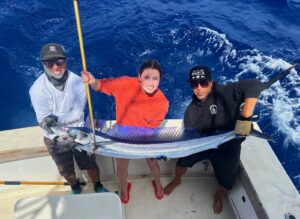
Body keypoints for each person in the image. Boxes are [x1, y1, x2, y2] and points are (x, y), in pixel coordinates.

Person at [164, 65, 265, 214]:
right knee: (181, 162)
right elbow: (190, 139)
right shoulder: (191, 112)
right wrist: (168, 152)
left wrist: (245, 119)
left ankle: (218, 196)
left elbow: (255, 84)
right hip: (203, 147)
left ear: (211, 83)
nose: (199, 88)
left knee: (227, 182)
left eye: (203, 83)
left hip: (229, 147)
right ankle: (177, 179)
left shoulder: (226, 91)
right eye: (194, 84)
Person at [82, 59, 169, 204]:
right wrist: (91, 80)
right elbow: (101, 86)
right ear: (139, 77)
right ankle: (124, 189)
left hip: (145, 137)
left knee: (153, 163)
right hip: (122, 133)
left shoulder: (163, 102)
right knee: (121, 166)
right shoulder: (125, 83)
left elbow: (153, 128)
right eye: (147, 77)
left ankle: (158, 185)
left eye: (155, 78)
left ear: (160, 80)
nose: (151, 82)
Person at [29, 43, 108, 194]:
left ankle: (98, 185)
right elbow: (44, 122)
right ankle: (75, 187)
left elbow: (78, 114)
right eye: (49, 63)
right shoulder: (37, 90)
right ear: (43, 64)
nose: (55, 67)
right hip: (54, 138)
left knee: (90, 164)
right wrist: (56, 130)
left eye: (59, 62)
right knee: (65, 169)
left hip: (79, 132)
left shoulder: (78, 82)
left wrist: (56, 119)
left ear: (66, 61)